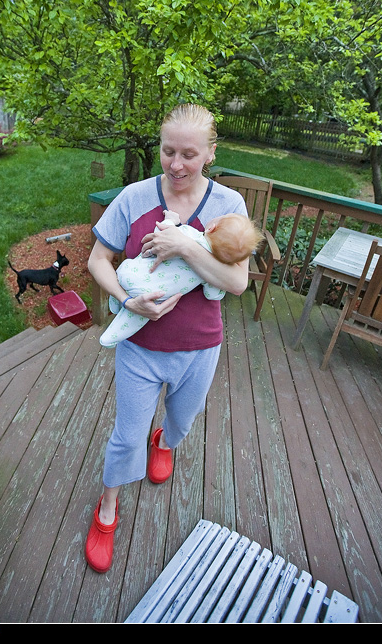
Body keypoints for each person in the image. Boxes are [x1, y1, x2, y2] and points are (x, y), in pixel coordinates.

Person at [85, 103, 251, 574]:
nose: (176, 165)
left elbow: (237, 283)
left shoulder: (229, 206)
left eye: (189, 155)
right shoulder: (134, 198)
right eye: (168, 151)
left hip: (200, 349)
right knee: (126, 437)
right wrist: (126, 300)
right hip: (140, 349)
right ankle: (107, 508)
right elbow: (98, 260)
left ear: (210, 153)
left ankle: (165, 442)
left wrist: (184, 246)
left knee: (182, 420)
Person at [99, 210, 264, 348]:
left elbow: (161, 234)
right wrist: (219, 289)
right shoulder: (211, 271)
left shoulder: (188, 233)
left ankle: (116, 302)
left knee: (124, 281)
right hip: (152, 295)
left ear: (211, 227)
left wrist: (171, 220)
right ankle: (110, 337)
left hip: (130, 272)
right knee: (136, 318)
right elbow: (212, 294)